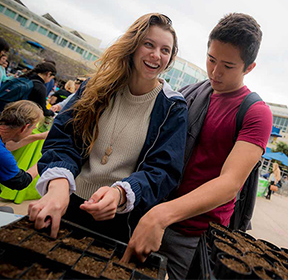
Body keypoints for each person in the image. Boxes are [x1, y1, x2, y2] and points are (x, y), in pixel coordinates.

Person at [122, 13, 273, 279]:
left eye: (228, 65)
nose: (215, 72)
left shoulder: (255, 112)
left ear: (249, 68)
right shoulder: (191, 92)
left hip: (194, 236)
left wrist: (162, 215)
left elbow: (230, 184)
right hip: (151, 214)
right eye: (211, 59)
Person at [28, 13, 188, 243]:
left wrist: (120, 193)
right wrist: (59, 184)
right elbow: (63, 138)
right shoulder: (97, 86)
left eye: (165, 50)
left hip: (116, 220)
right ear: (133, 45)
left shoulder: (173, 107)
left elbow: (164, 170)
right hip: (66, 201)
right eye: (149, 44)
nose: (156, 55)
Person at [0, 100, 43, 190]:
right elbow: (21, 181)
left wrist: (38, 137)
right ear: (25, 127)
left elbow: (8, 146)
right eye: (33, 128)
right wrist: (44, 160)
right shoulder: (3, 155)